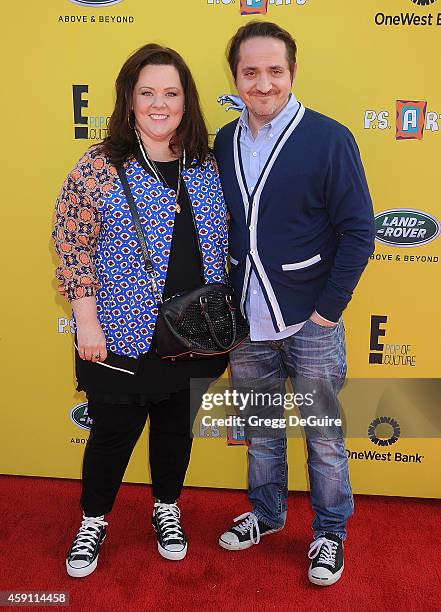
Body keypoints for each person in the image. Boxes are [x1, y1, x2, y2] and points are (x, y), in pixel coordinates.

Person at [53, 44, 229, 577]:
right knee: (111, 435)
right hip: (120, 334)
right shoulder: (99, 166)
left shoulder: (207, 163)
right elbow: (71, 244)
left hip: (193, 333)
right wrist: (86, 320)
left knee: (176, 429)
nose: (160, 103)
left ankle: (167, 508)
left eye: (171, 93)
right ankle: (94, 520)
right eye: (147, 92)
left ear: (186, 100)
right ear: (129, 100)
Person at [214, 21, 375, 586]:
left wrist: (327, 311)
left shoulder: (329, 138)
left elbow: (359, 231)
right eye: (250, 72)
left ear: (292, 73)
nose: (263, 83)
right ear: (235, 77)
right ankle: (266, 514)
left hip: (310, 320)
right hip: (248, 322)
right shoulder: (224, 140)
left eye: (274, 71)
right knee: (260, 430)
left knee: (325, 439)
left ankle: (330, 532)